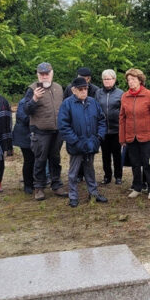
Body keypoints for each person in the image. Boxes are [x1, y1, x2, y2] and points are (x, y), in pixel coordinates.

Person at [58, 77, 108, 208]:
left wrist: (98, 137)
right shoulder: (67, 104)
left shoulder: (93, 102)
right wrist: (75, 141)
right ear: (73, 90)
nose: (84, 91)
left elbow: (102, 120)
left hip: (91, 143)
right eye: (81, 89)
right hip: (76, 144)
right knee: (73, 172)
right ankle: (73, 196)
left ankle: (93, 193)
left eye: (86, 88)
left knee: (90, 169)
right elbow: (63, 126)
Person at [22, 62, 67, 201]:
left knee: (55, 159)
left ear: (52, 73)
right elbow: (26, 110)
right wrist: (35, 99)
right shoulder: (32, 89)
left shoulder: (59, 88)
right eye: (41, 74)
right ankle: (39, 187)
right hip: (40, 131)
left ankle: (56, 185)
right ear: (38, 75)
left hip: (57, 131)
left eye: (47, 73)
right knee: (40, 160)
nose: (44, 76)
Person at [119, 68, 150, 200]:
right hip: (131, 136)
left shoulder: (149, 95)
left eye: (133, 79)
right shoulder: (125, 96)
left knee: (148, 164)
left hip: (146, 136)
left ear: (140, 80)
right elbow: (122, 118)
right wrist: (122, 138)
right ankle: (137, 187)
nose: (130, 82)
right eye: (128, 80)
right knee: (135, 164)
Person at [95, 69, 124, 185]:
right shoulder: (98, 93)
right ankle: (107, 176)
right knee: (105, 155)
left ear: (114, 80)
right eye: (105, 79)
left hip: (116, 129)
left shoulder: (120, 93)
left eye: (109, 79)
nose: (107, 81)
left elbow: (123, 111)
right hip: (103, 130)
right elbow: (95, 109)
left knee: (117, 154)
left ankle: (118, 176)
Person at [12, 94, 35, 194]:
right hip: (24, 136)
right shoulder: (23, 102)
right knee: (29, 160)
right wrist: (39, 116)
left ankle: (35, 182)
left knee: (36, 160)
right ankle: (28, 184)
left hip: (35, 134)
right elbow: (24, 118)